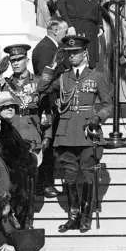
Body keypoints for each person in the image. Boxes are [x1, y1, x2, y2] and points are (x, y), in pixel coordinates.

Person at [37, 35, 112, 233]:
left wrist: (99, 116)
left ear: (84, 53)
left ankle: (86, 217)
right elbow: (41, 88)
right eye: (69, 53)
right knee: (69, 176)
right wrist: (53, 64)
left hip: (89, 130)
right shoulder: (62, 77)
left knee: (87, 174)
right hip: (66, 132)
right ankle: (73, 216)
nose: (72, 56)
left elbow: (108, 104)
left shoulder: (96, 76)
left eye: (75, 53)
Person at [0, 43, 55, 198]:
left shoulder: (38, 82)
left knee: (30, 181)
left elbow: (46, 110)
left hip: (32, 134)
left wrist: (47, 136)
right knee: (13, 181)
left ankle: (27, 219)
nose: (15, 63)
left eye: (19, 59)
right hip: (12, 134)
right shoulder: (4, 84)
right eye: (12, 60)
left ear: (26, 60)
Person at [0, 91, 38, 229]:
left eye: (12, 106)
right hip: (10, 183)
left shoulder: (8, 127)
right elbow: (4, 155)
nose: (10, 108)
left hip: (17, 181)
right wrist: (29, 159)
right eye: (5, 107)